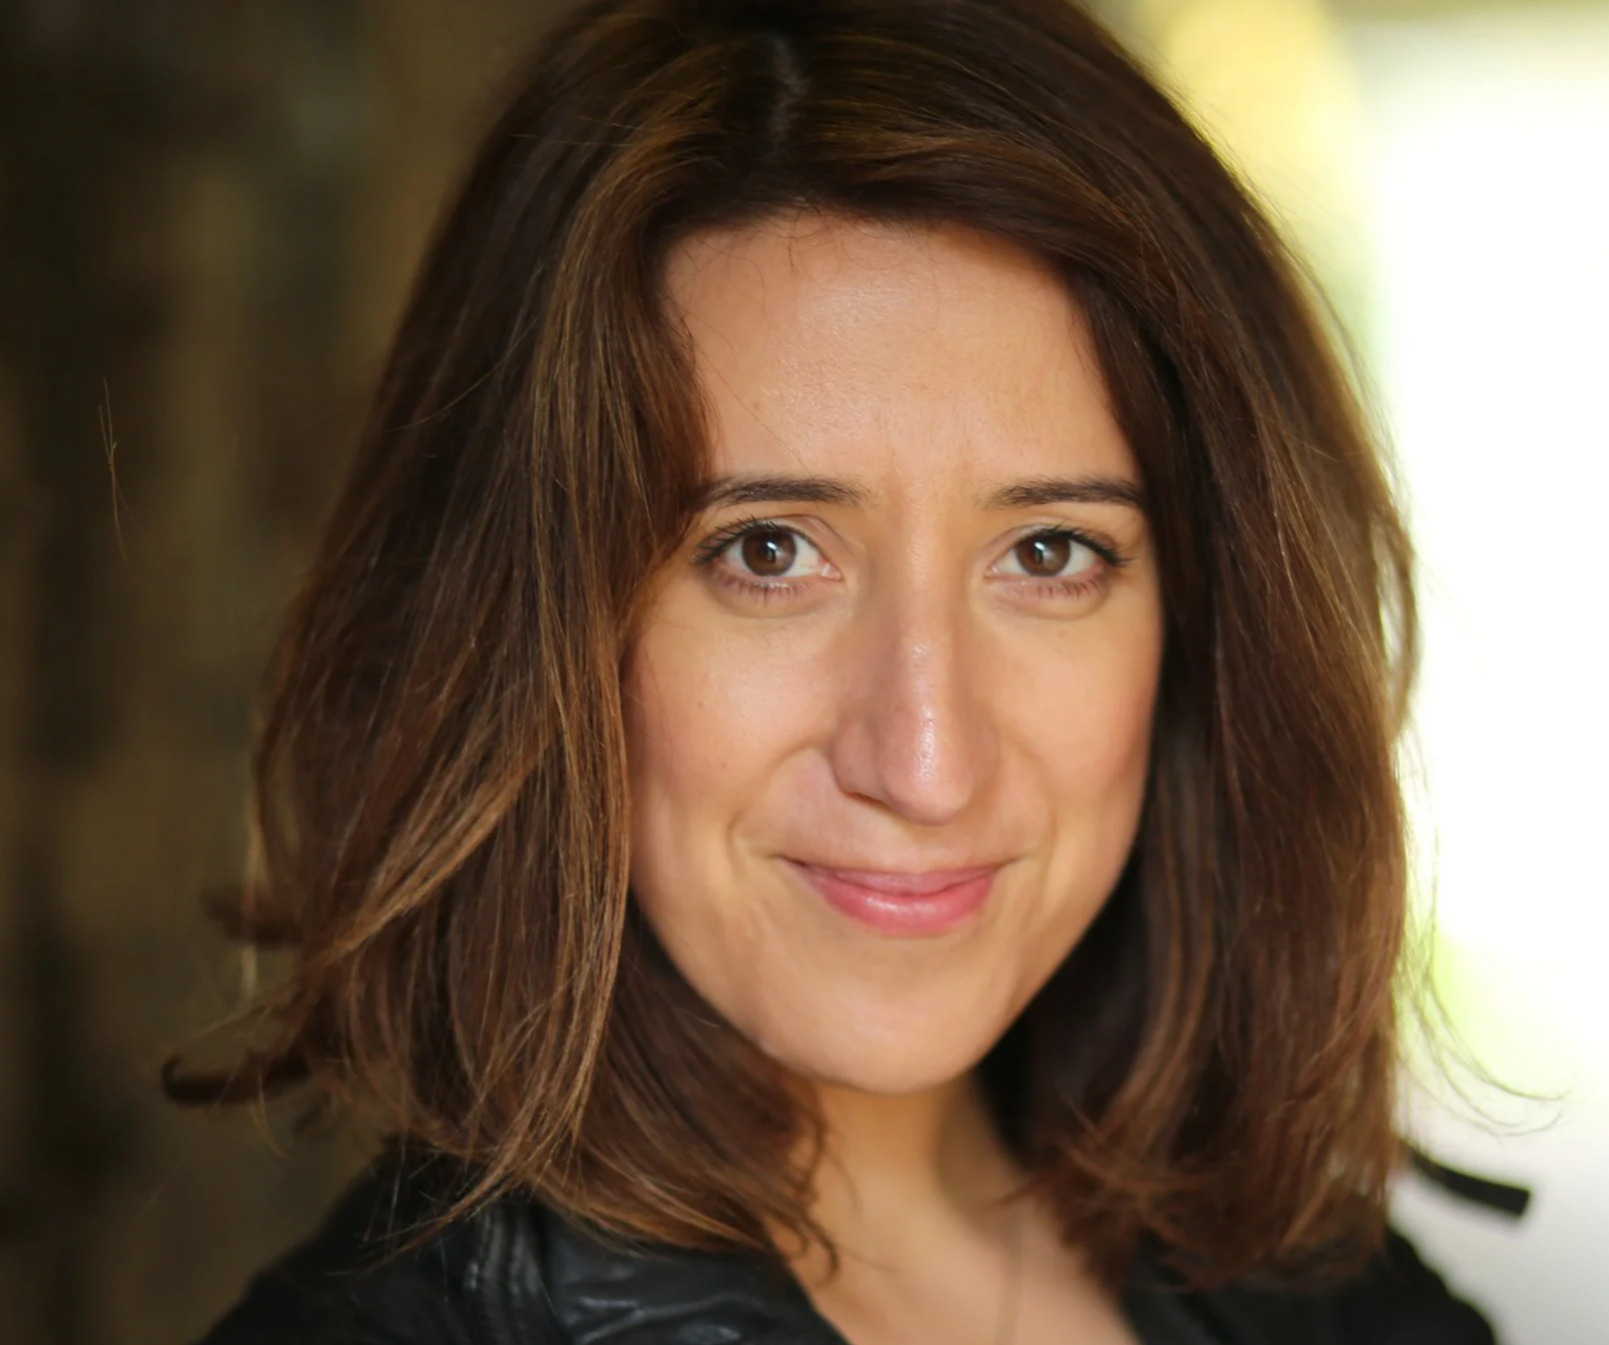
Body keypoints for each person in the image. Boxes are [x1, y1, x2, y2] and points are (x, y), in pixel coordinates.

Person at [169, 0, 1500, 1341]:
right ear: (529, 628)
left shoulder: (1339, 1298)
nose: (925, 761)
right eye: (766, 551)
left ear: (1209, 625)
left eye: (1048, 552)